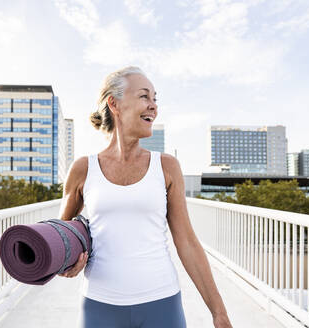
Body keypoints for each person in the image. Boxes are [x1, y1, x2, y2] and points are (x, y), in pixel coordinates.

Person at [57, 66, 232, 328]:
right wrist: (67, 262)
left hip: (161, 303)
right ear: (114, 104)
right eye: (144, 97)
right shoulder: (83, 168)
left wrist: (219, 312)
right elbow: (61, 235)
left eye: (155, 99)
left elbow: (186, 242)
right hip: (99, 304)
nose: (153, 106)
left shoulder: (167, 167)